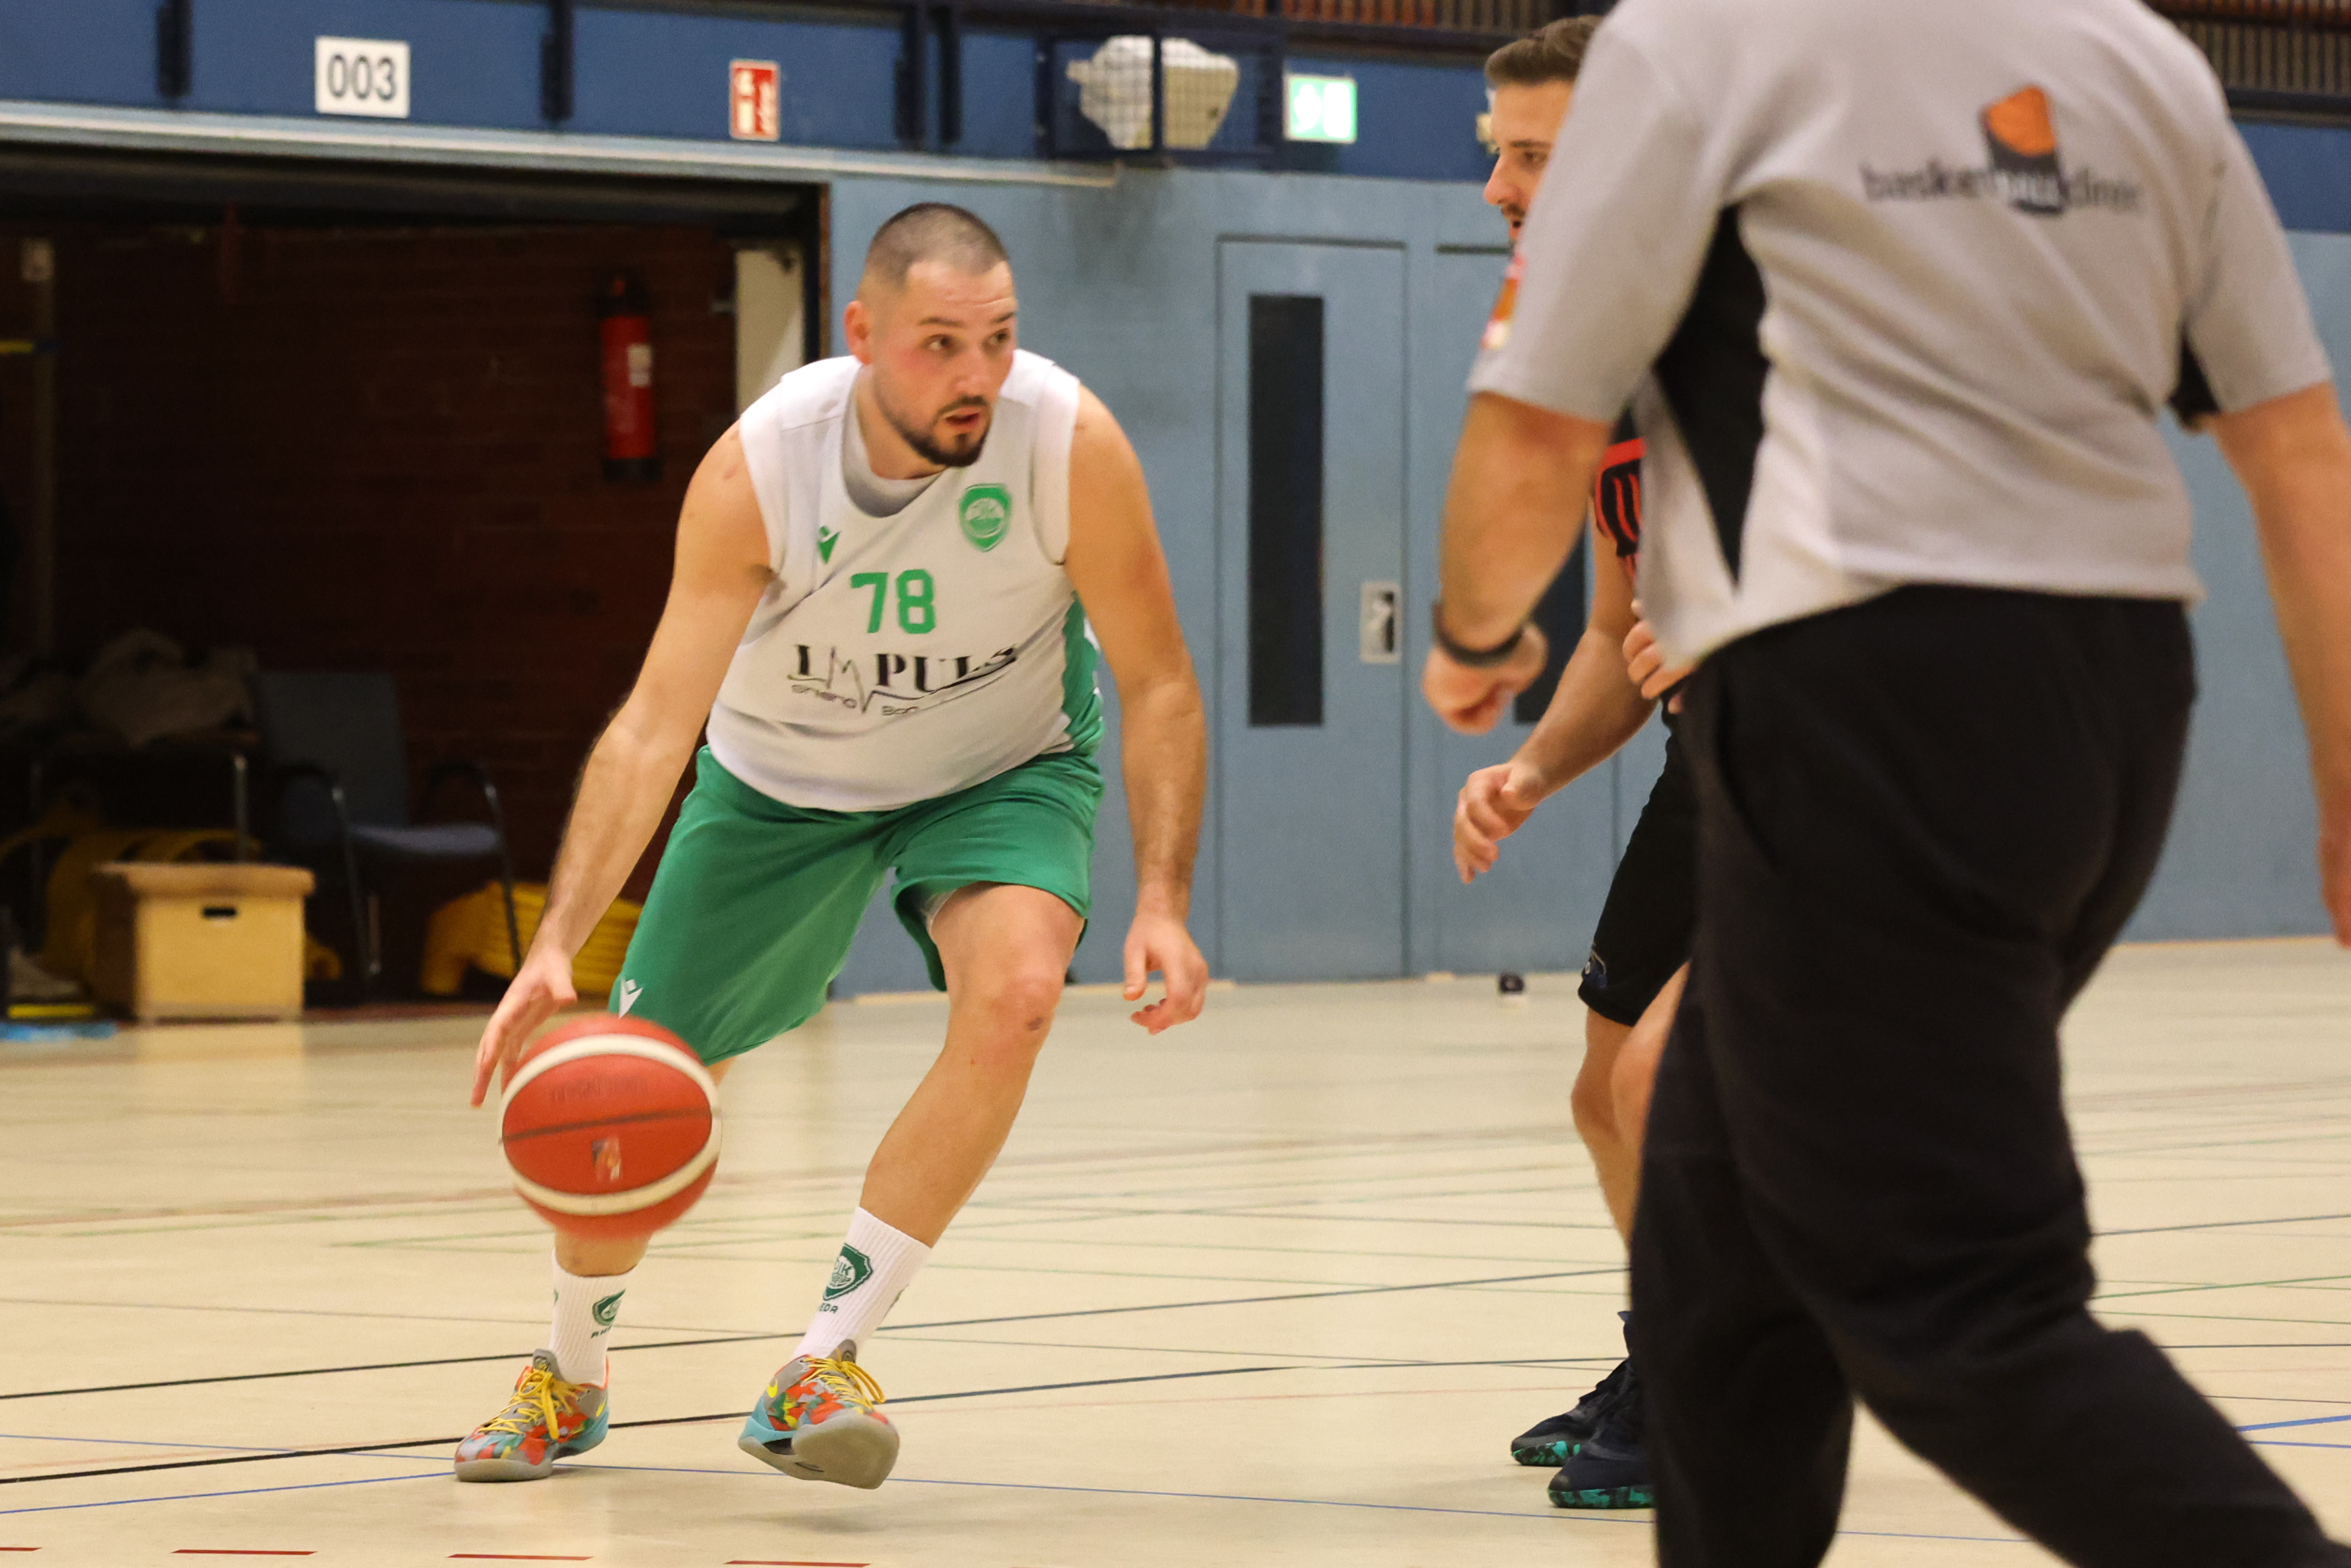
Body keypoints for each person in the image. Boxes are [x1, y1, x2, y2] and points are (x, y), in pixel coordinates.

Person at [1426, 0, 2351, 1561]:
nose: (1507, 179)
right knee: (1716, 1239)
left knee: (1954, 1303)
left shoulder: (1694, 50)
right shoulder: (2140, 61)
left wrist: (1471, 632)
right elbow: (2298, 450)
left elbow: (1531, 431)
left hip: (1865, 697)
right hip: (2112, 704)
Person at [455, 202, 1210, 1491]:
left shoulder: (1067, 445)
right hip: (781, 786)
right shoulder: (761, 471)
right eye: (938, 344)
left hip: (1000, 766)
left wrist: (1163, 898)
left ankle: (826, 1361)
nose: (975, 374)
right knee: (632, 1082)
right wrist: (555, 947)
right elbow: (653, 726)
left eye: (997, 339)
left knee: (1019, 993)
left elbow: (1160, 682)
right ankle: (569, 1373)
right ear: (861, 333)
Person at [1448, 14, 1686, 1511]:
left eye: (1530, 156)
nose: (1496, 189)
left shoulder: (1767, 333)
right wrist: (1531, 769)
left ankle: (1722, 1380)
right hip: (1715, 768)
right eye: (1498, 155)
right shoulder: (1600, 370)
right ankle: (1671, 1349)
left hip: (1853, 767)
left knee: (1669, 1082)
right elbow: (1615, 627)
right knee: (1603, 1089)